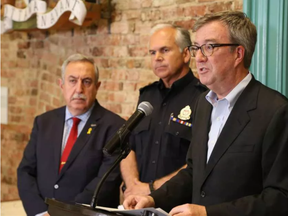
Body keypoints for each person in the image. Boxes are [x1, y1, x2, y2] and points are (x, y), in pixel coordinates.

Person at [123, 11, 288, 216]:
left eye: (209, 47)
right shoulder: (203, 103)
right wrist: (153, 198)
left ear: (238, 53)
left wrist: (207, 213)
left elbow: (280, 198)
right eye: (196, 48)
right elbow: (194, 171)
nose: (198, 58)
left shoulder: (276, 110)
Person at [17, 54, 125, 216]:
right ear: (61, 85)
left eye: (86, 81)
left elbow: (106, 182)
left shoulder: (115, 126)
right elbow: (25, 172)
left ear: (97, 86)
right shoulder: (44, 122)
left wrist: (65, 213)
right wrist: (40, 212)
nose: (79, 89)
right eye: (72, 81)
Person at [120, 24, 207, 198]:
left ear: (185, 54)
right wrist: (132, 185)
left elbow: (200, 160)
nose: (157, 58)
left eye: (164, 50)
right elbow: (129, 147)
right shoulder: (147, 96)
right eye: (152, 53)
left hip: (177, 204)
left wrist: (151, 189)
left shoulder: (203, 97)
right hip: (137, 202)